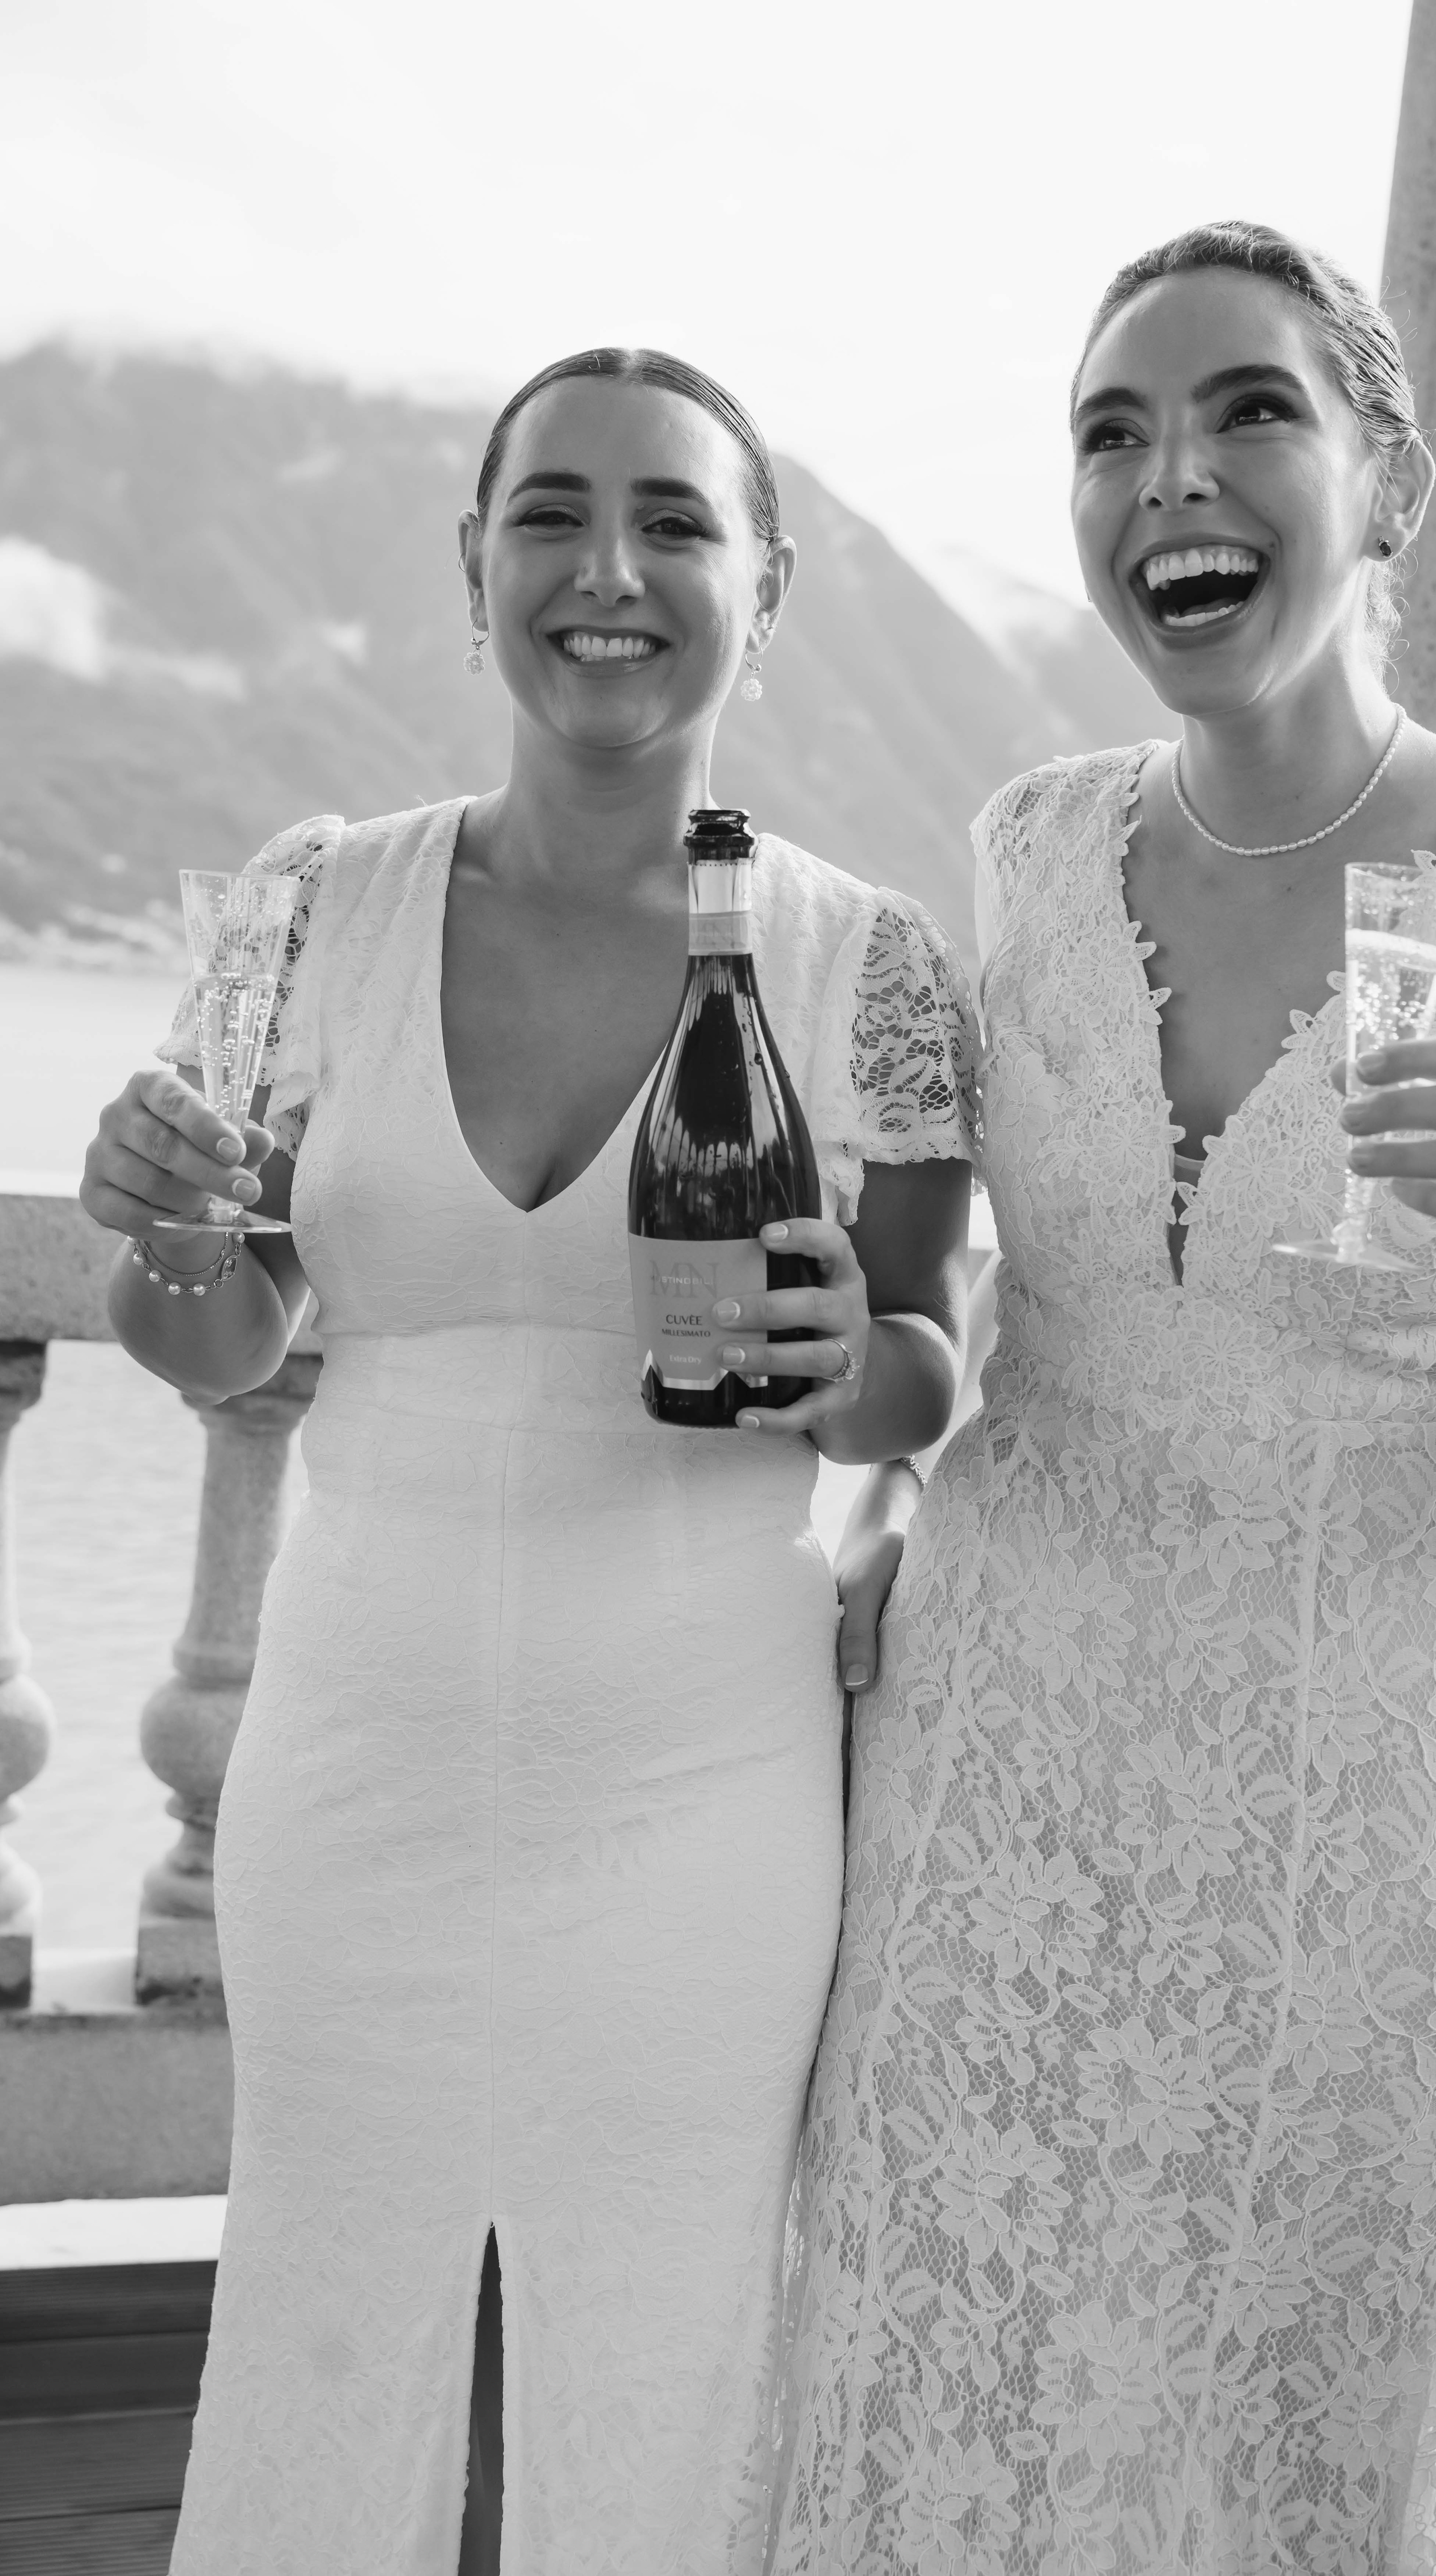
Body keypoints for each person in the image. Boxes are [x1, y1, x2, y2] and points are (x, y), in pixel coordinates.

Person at [778, 224, 1436, 2574]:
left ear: (1393, 487)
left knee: (1271, 2487)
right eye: (1112, 434)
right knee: (930, 2418)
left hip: (1352, 1868)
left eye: (1247, 413)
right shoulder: (1029, 847)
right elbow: (966, 1300)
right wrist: (851, 1464)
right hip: (986, 1823)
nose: (1168, 478)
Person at [79, 346, 979, 2576]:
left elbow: (923, 1371)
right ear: (472, 560)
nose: (609, 569)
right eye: (552, 513)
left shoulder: (866, 965)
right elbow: (220, 1339)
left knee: (673, 2381)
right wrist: (160, 1232)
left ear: (767, 586)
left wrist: (846, 1363)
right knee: (317, 2351)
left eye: (676, 521)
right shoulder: (316, 905)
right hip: (350, 1771)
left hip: (701, 1794)